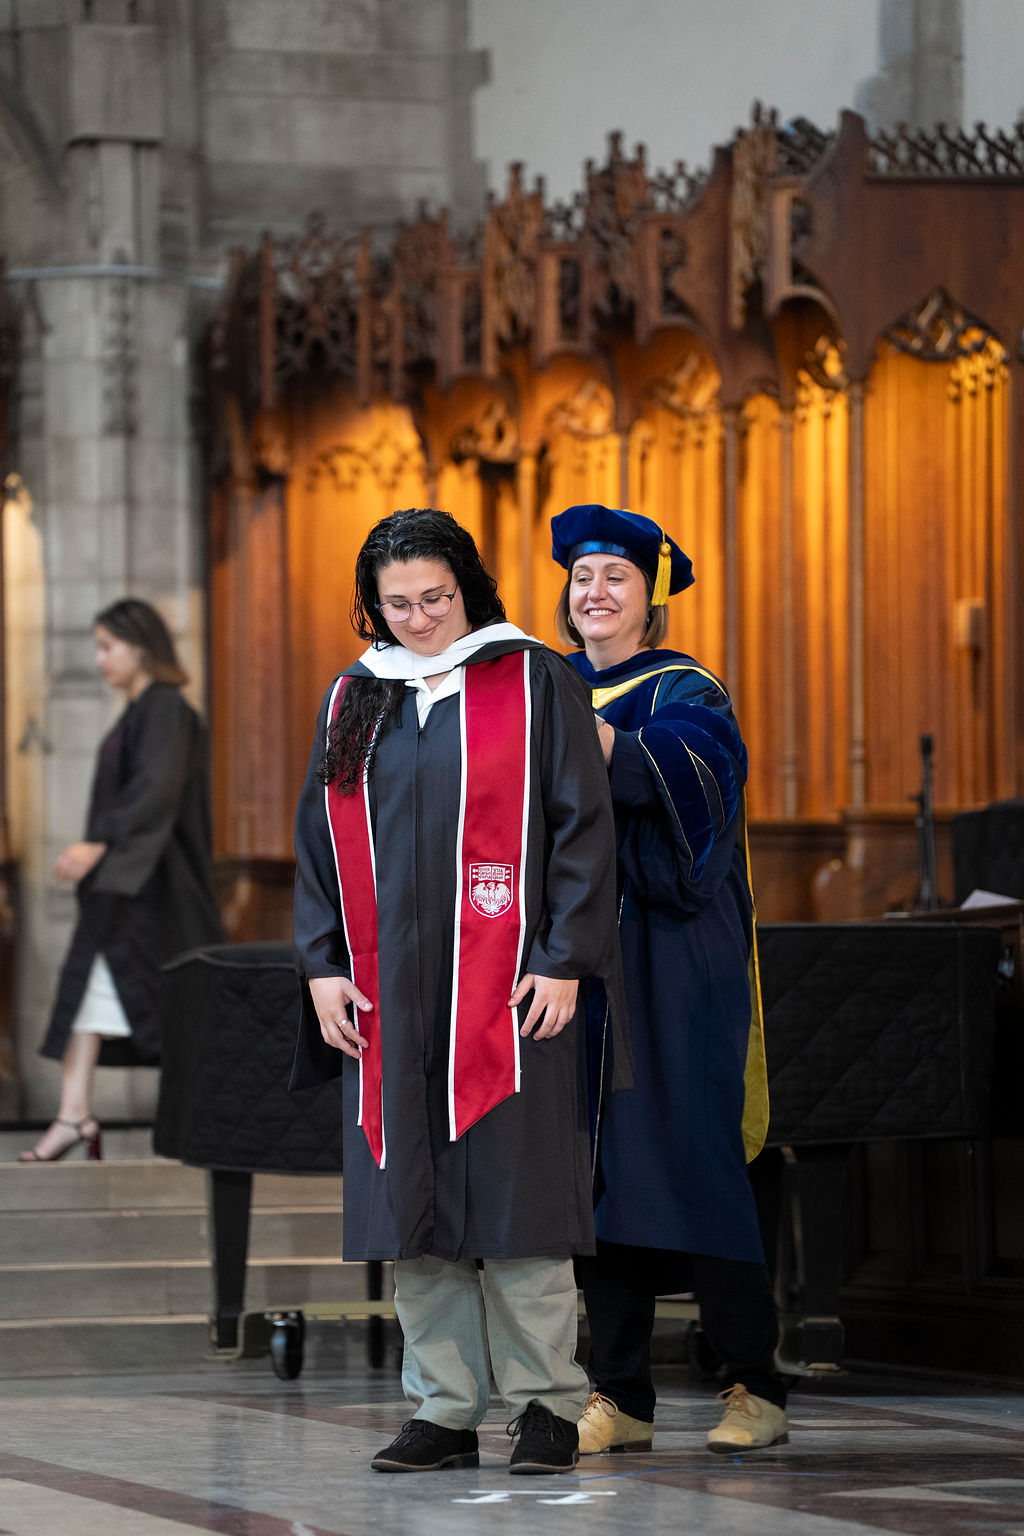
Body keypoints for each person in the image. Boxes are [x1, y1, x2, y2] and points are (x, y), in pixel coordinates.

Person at [290, 508, 629, 1476]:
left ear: (467, 588)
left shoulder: (529, 678)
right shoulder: (358, 695)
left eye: (434, 597)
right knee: (416, 1210)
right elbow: (319, 844)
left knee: (521, 1207)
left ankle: (547, 1407)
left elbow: (582, 829)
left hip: (512, 992)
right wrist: (321, 966)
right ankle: (441, 1408)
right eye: (395, 603)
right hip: (390, 999)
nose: (417, 619)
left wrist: (566, 957)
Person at [549, 502, 789, 1455]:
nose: (595, 592)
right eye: (581, 578)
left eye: (616, 577)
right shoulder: (556, 685)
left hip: (675, 952)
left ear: (650, 600)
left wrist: (571, 731)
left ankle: (753, 1385)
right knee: (598, 1169)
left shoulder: (688, 691)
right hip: (583, 959)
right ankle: (622, 1393)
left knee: (693, 1151)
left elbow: (688, 785)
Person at [20, 599, 223, 1163]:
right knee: (91, 995)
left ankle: (101, 1118)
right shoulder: (141, 711)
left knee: (170, 1010)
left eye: (108, 646)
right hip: (128, 888)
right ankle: (74, 1114)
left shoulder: (166, 709)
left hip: (152, 893)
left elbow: (156, 789)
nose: (99, 658)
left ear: (142, 646)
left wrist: (98, 841)